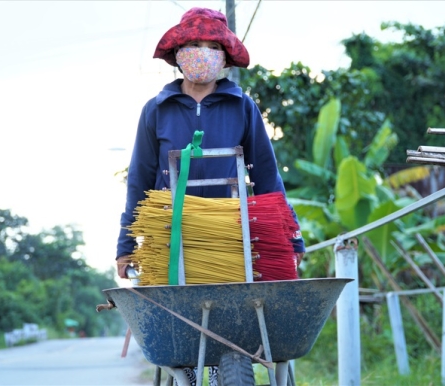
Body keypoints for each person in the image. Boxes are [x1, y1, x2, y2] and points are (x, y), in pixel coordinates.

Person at [114, 7, 305, 384]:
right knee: (178, 345)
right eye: (192, 45)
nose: (200, 53)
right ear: (178, 54)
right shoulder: (156, 111)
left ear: (224, 56)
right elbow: (139, 181)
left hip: (233, 236)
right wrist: (126, 243)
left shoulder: (242, 107)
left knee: (244, 319)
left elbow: (266, 175)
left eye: (209, 46)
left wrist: (291, 235)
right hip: (173, 239)